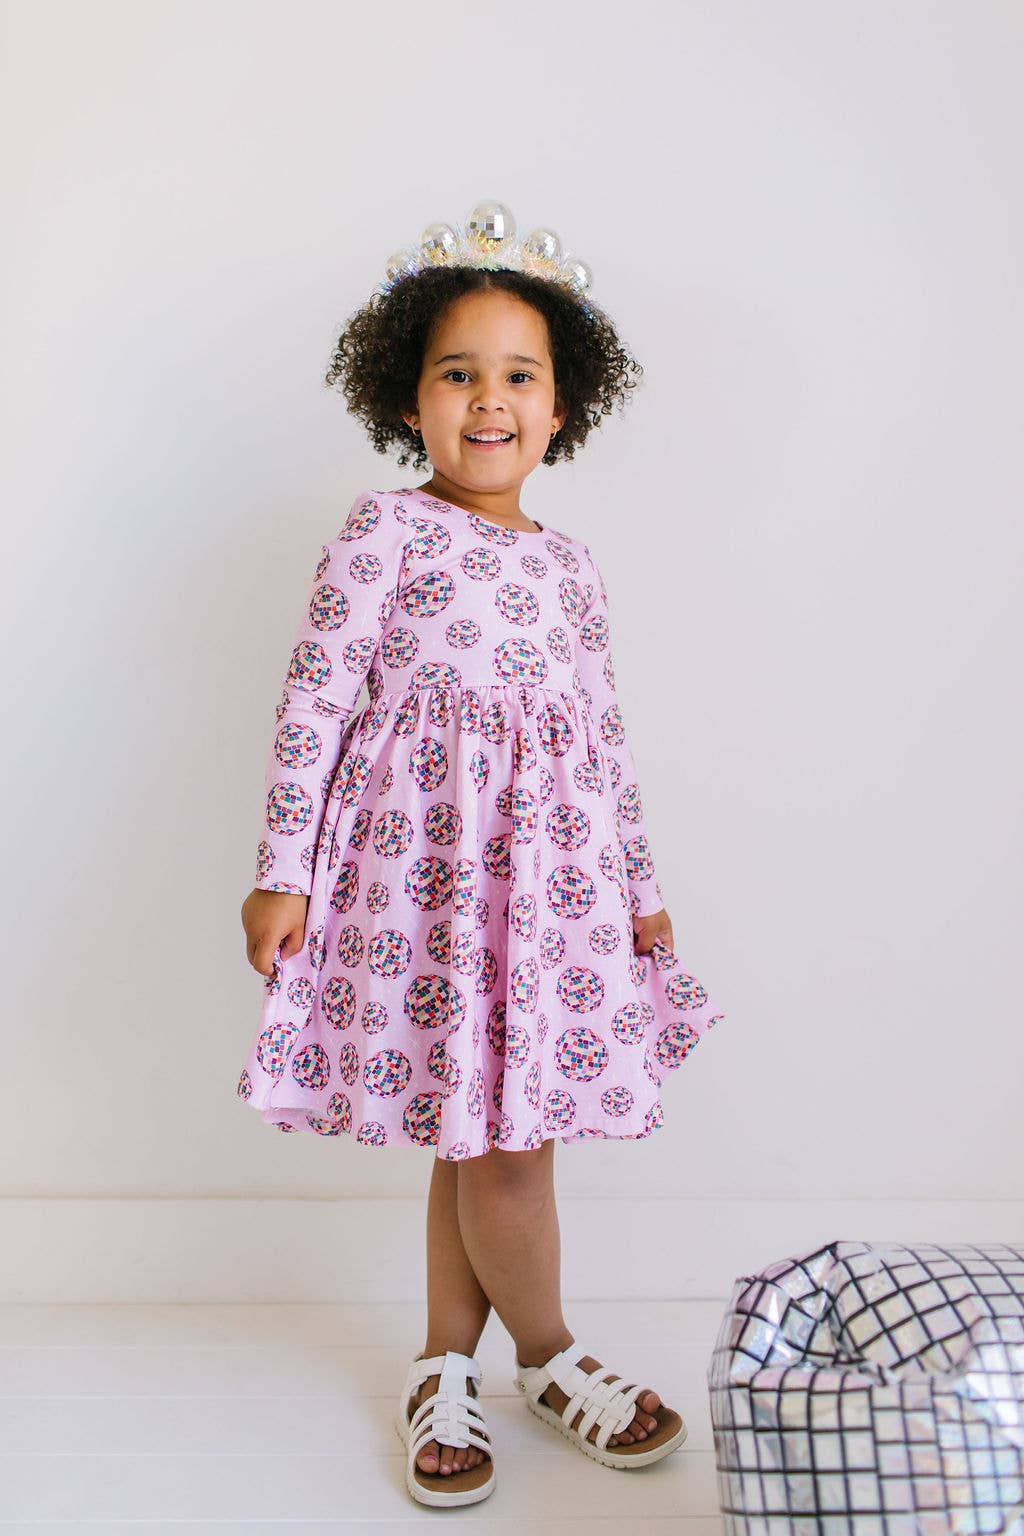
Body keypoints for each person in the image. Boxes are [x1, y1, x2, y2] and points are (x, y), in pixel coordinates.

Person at [237, 204, 723, 1509]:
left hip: (551, 895)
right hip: (427, 887)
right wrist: (283, 869)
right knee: (500, 1143)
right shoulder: (384, 534)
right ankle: (549, 1356)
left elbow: (601, 740)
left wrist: (642, 893)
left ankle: (448, 1363)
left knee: (487, 1133)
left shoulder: (571, 570)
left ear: (562, 409)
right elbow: (315, 705)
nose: (490, 400)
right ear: (411, 400)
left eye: (520, 376)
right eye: (459, 373)